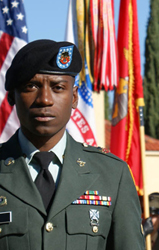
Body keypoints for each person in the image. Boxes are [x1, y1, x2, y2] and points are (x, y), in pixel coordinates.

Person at [0, 39, 145, 250]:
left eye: (58, 87)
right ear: (13, 96)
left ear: (74, 97)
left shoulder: (113, 175)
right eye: (32, 86)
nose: (45, 99)